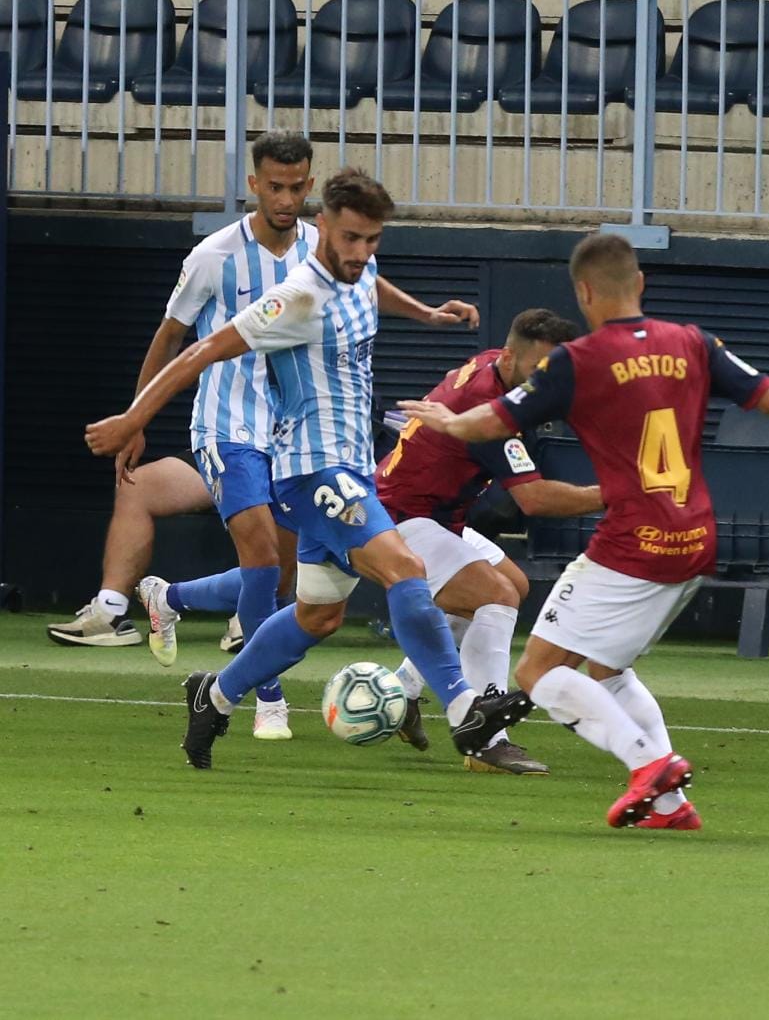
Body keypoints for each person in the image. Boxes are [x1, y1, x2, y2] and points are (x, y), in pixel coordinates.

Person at [400, 232, 769, 830]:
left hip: (631, 545)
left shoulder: (574, 363)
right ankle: (669, 805)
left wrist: (450, 423)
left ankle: (648, 765)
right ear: (640, 284)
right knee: (609, 670)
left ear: (583, 294)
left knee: (537, 674)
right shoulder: (692, 342)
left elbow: (492, 419)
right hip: (698, 538)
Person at [85, 169, 529, 771]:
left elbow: (372, 287)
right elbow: (199, 349)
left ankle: (213, 696)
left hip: (352, 469)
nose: (361, 253)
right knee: (405, 568)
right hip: (309, 473)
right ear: (323, 225)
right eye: (350, 238)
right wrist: (133, 417)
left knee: (318, 613)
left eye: (372, 240)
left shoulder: (361, 269)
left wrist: (427, 315)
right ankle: (466, 714)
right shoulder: (294, 298)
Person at [378, 308, 605, 776]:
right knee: (494, 596)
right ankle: (486, 738)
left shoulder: (495, 368)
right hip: (403, 516)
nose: (549, 381)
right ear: (509, 357)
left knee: (512, 586)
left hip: (437, 515)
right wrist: (620, 494)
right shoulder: (487, 411)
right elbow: (535, 499)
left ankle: (403, 692)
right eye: (539, 369)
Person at [44, 458, 256, 648]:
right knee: (135, 485)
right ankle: (111, 611)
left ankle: (256, 608)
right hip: (222, 446)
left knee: (270, 488)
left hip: (274, 452)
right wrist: (135, 425)